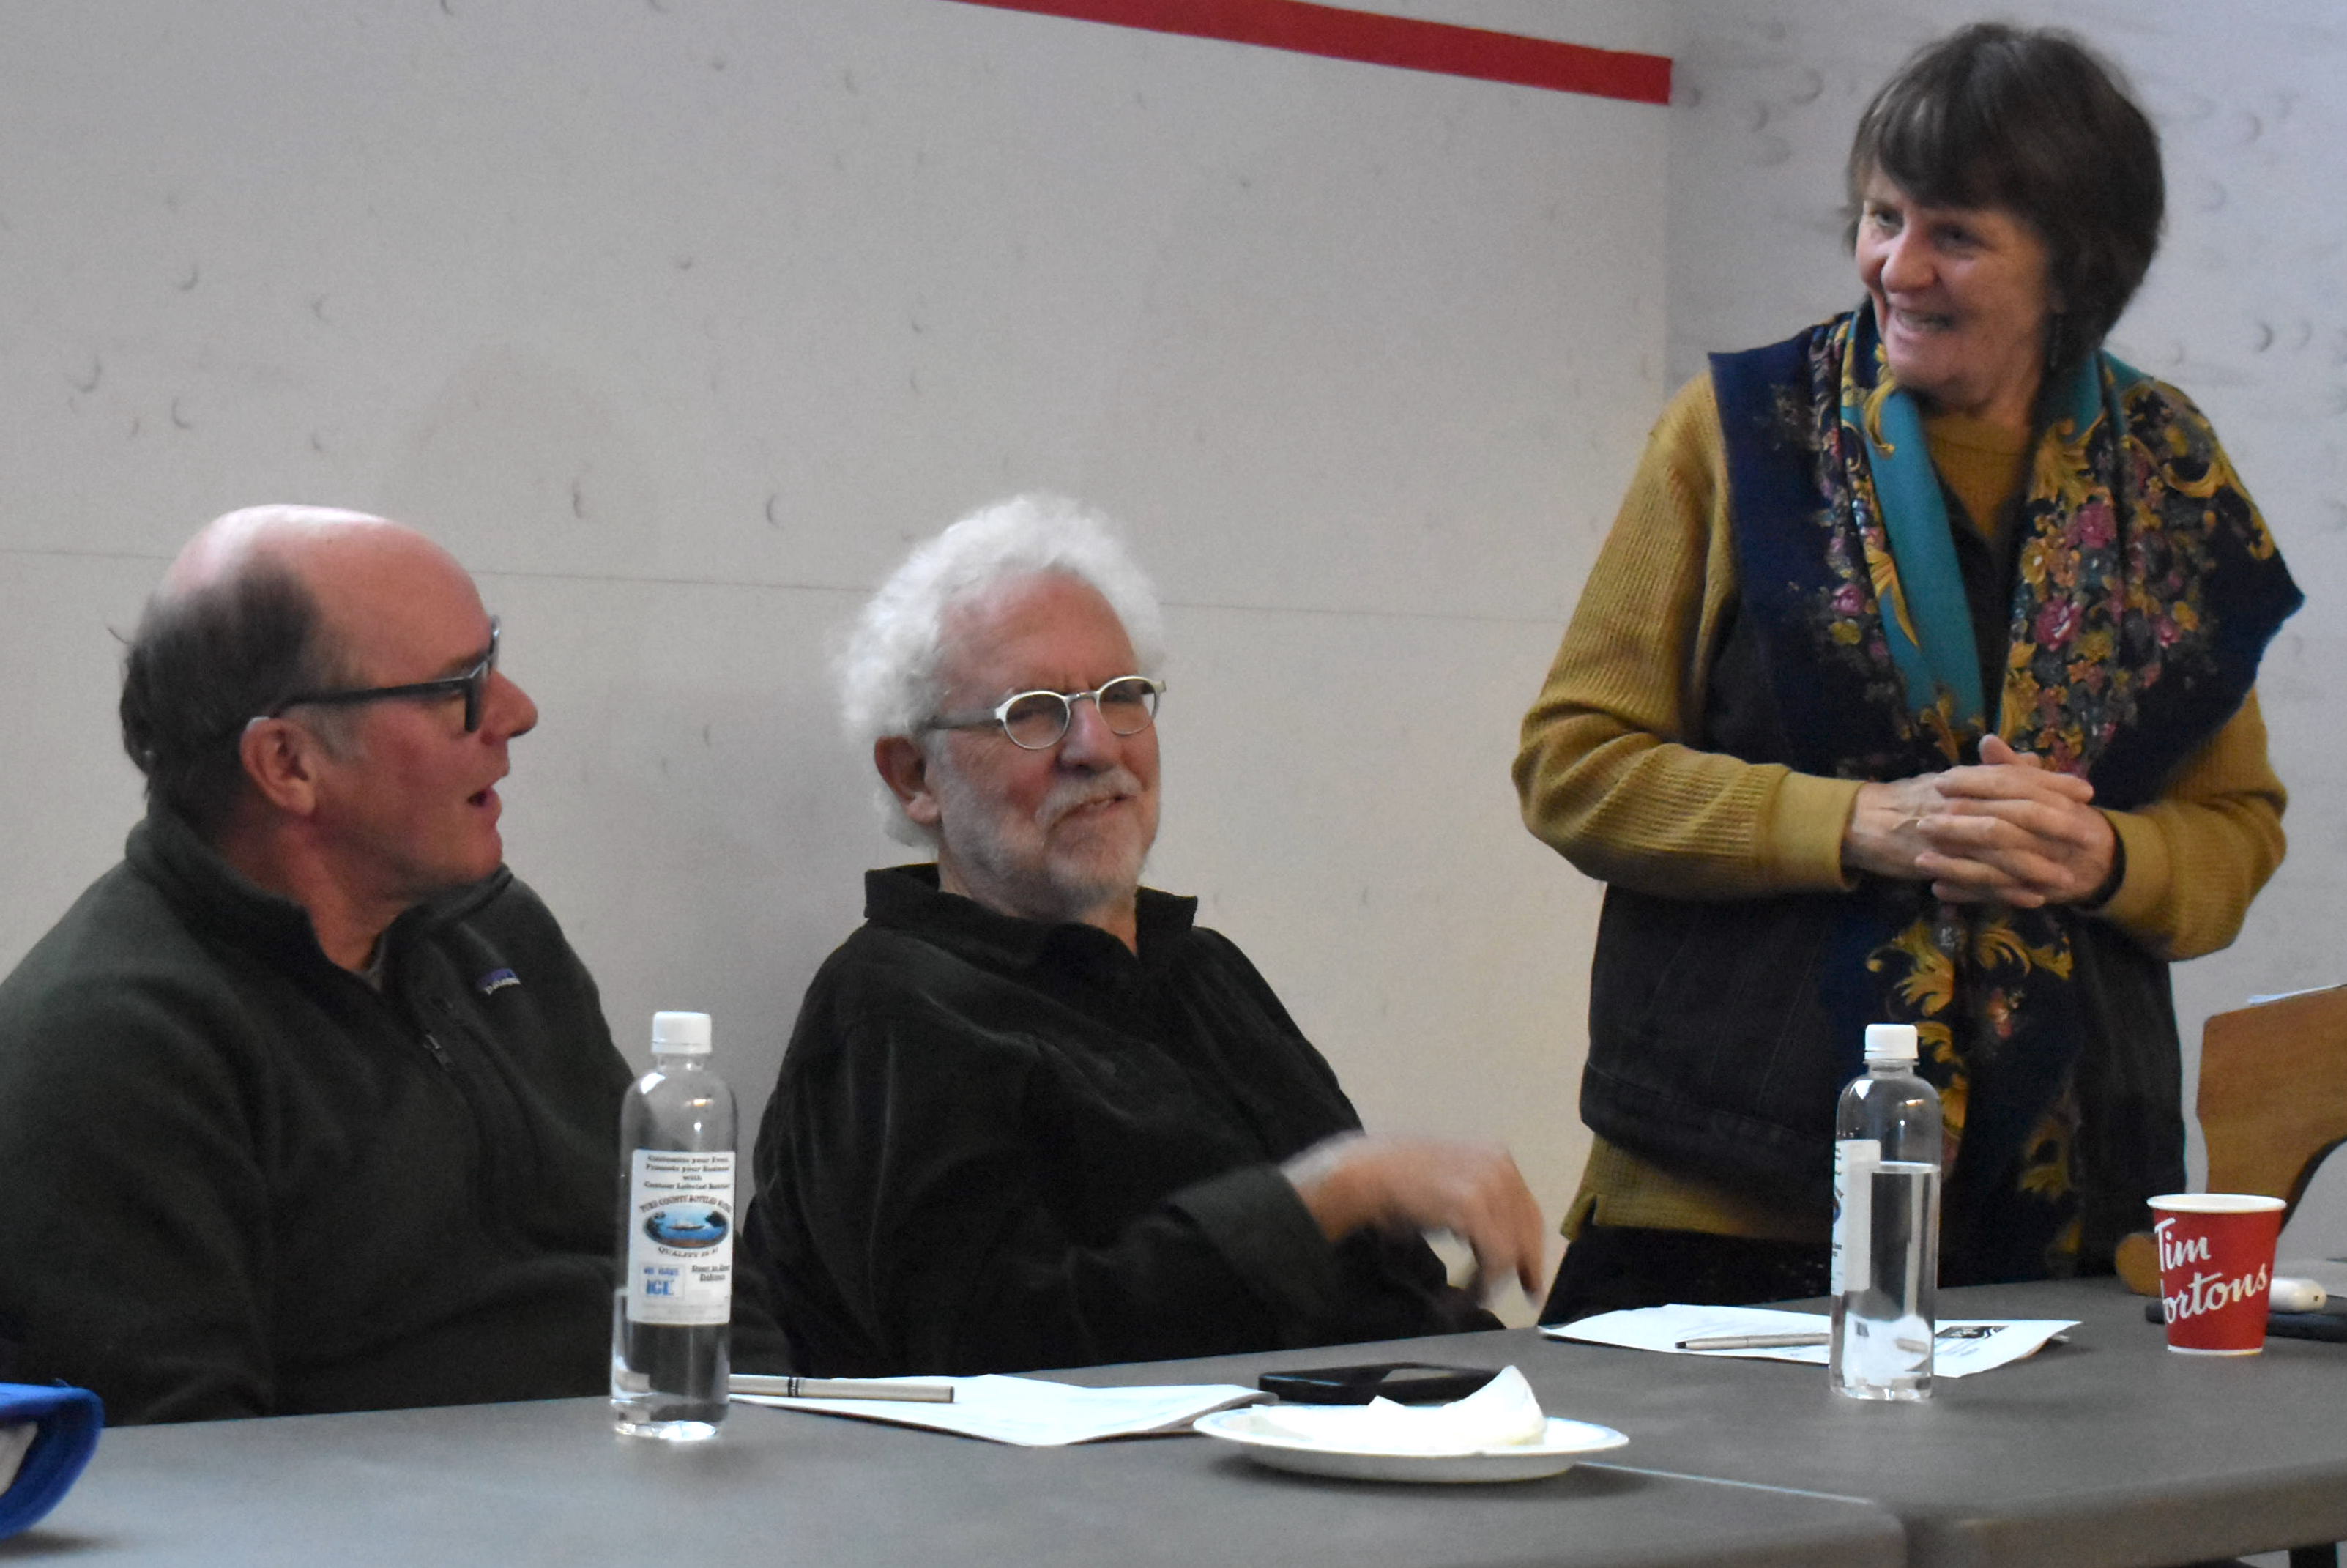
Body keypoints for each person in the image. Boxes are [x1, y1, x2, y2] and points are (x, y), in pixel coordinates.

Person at [1514, 25, 2302, 1323]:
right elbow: (1574, 767)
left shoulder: (2169, 470)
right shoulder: (1737, 433)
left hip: (2067, 1211)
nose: (1898, 265)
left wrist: (2099, 860)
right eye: (1883, 216)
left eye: (1956, 234)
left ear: (2074, 267)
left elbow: (2234, 835)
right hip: (1728, 1201)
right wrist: (1860, 824)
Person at [741, 494, 1544, 1376]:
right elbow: (994, 1361)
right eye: (1034, 712)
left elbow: (1385, 1302)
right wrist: (1333, 1192)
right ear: (913, 777)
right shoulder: (892, 1007)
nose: (1097, 746)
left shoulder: (1203, 972)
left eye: (1122, 697)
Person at [0, 506, 635, 1422]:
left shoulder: (498, 934)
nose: (516, 712)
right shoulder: (115, 1039)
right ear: (288, 763)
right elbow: (190, 1472)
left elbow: (688, 1275)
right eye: (459, 686)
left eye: (492, 658)